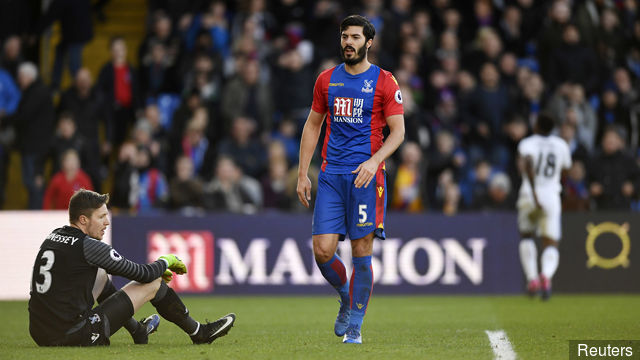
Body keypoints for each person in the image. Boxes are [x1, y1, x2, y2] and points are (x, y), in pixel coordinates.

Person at [296, 15, 405, 344]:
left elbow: (398, 132)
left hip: (365, 177)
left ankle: (356, 323)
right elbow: (313, 125)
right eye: (345, 36)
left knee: (362, 251)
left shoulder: (385, 81)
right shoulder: (326, 80)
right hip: (331, 175)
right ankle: (346, 296)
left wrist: (375, 162)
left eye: (355, 37)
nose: (348, 42)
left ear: (368, 42)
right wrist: (303, 172)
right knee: (322, 250)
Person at [29, 189, 236, 346]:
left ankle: (139, 331)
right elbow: (143, 274)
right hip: (72, 335)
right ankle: (199, 332)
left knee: (100, 275)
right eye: (101, 217)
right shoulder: (89, 246)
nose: (107, 222)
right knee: (154, 283)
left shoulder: (54, 236)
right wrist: (166, 260)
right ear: (83, 220)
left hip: (39, 332)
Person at [516, 114, 572, 301]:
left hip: (529, 195)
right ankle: (546, 277)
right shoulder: (561, 145)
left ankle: (532, 279)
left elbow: (528, 164)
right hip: (551, 196)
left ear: (536, 125)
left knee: (526, 235)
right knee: (550, 241)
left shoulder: (527, 143)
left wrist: (534, 190)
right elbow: (565, 169)